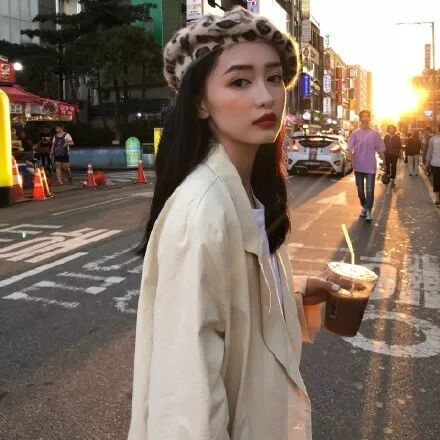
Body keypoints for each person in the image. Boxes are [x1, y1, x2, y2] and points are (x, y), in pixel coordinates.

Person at [128, 8, 340, 440]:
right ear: (200, 102)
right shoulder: (202, 211)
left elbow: (239, 312)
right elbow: (186, 400)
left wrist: (297, 293)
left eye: (274, 78)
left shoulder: (246, 193)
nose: (266, 97)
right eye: (240, 81)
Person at [347, 109, 385, 223]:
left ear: (370, 118)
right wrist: (349, 154)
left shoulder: (375, 134)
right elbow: (349, 147)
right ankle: (364, 206)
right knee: (360, 191)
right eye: (362, 116)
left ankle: (368, 211)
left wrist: (385, 162)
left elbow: (380, 149)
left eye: (367, 116)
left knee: (369, 190)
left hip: (370, 167)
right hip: (358, 166)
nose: (365, 118)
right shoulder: (355, 133)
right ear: (360, 118)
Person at [426, 124, 440, 206]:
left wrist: (427, 163)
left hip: (435, 163)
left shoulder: (433, 139)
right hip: (435, 163)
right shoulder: (433, 139)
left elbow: (429, 152)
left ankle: (437, 200)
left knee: (436, 181)